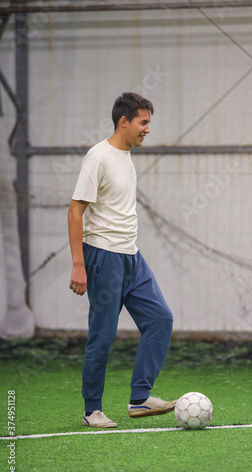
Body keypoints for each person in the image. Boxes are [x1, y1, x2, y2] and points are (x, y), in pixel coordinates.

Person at [67, 92, 177, 428]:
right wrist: (78, 264)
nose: (147, 129)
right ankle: (92, 411)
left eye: (149, 123)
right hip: (103, 257)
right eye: (143, 123)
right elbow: (75, 212)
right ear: (124, 122)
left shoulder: (126, 156)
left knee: (160, 319)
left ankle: (140, 399)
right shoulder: (97, 158)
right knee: (103, 334)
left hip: (132, 256)